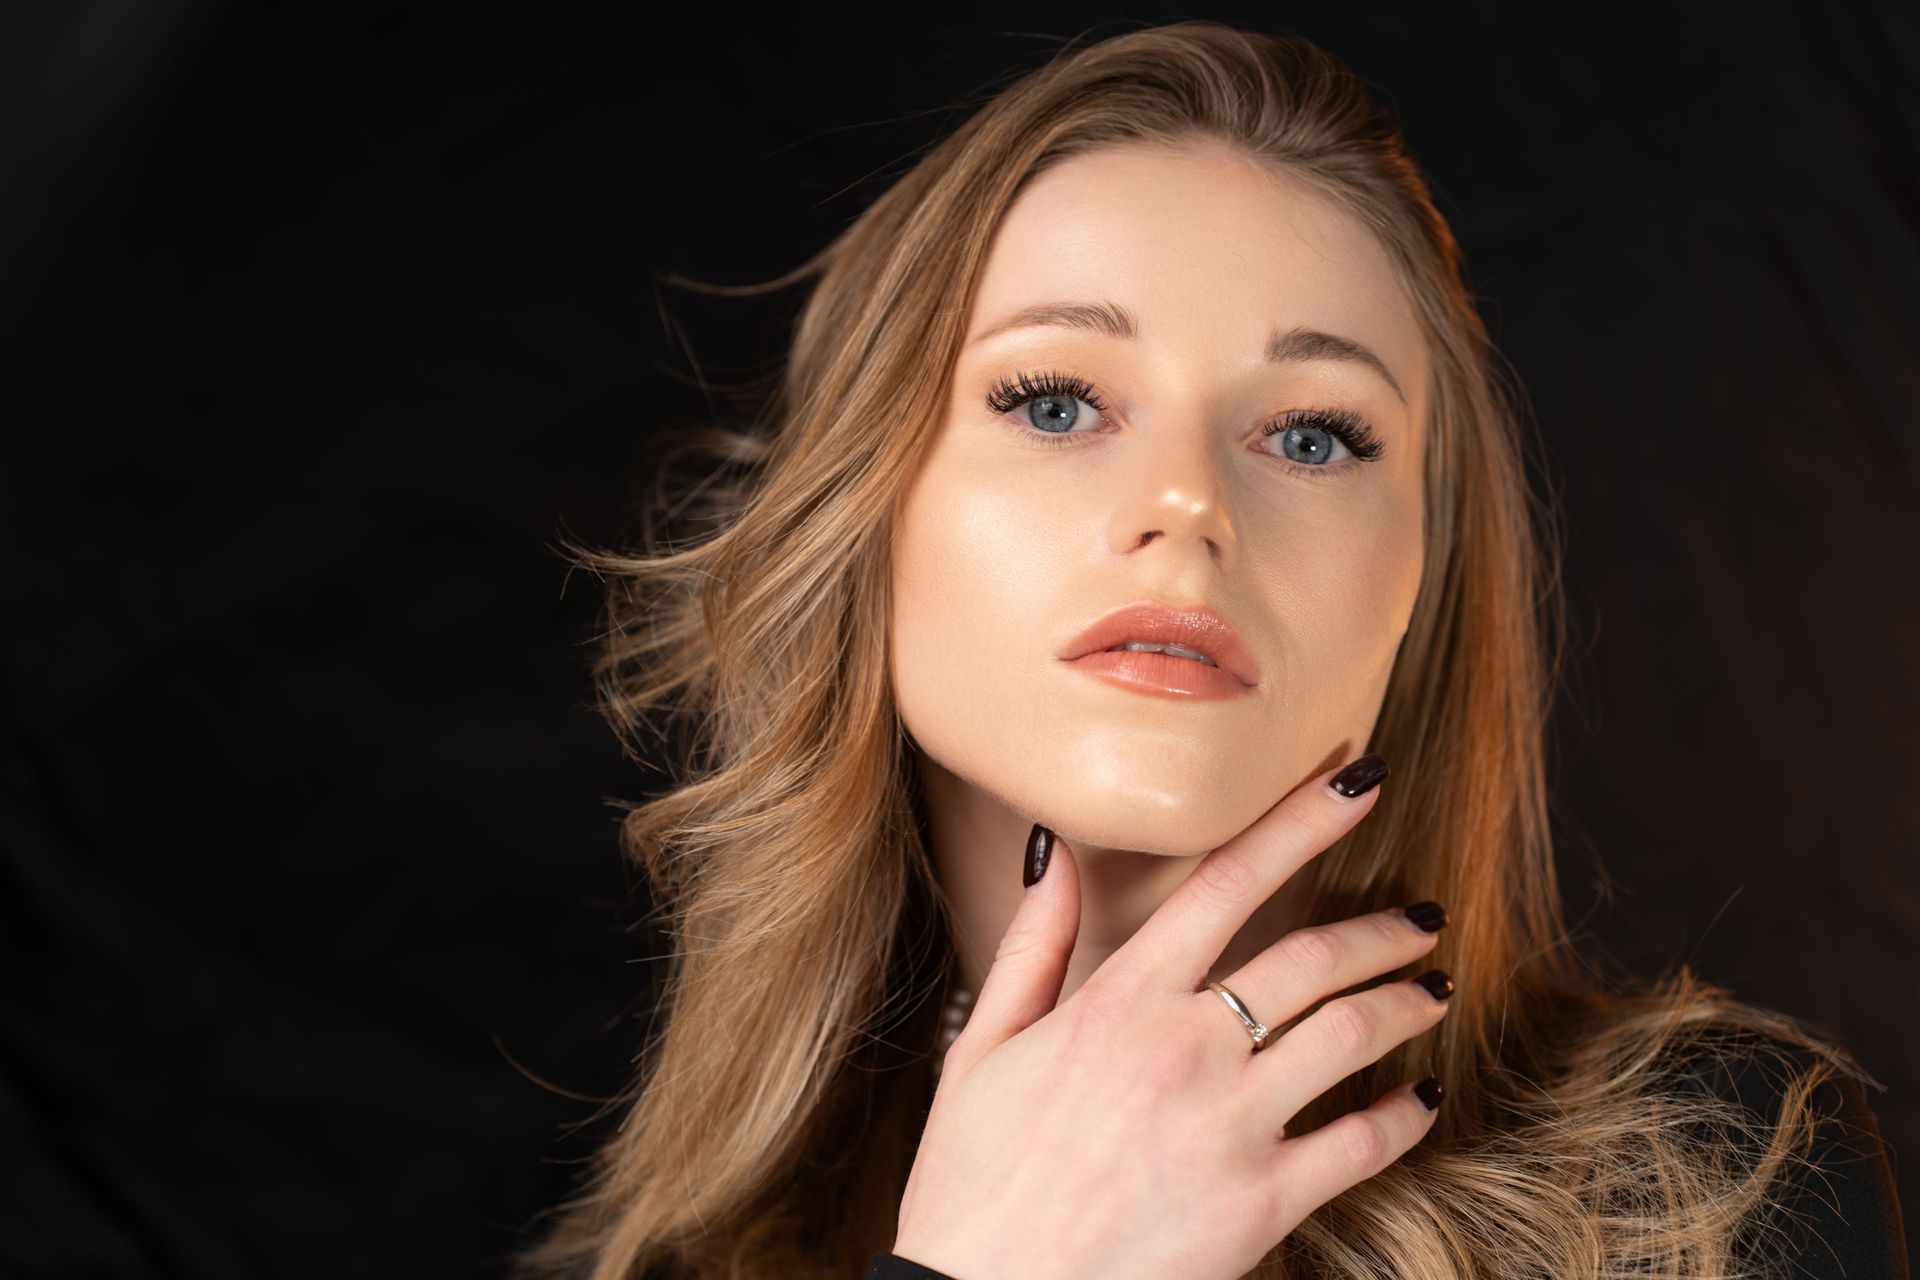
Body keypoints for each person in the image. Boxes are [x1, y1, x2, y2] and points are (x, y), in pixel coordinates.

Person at [509, 20, 1909, 1280]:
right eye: (1056, 403)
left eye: (1311, 436)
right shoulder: (661, 1266)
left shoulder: (1714, 1200)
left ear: (1419, 582)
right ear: (865, 519)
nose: (1187, 505)